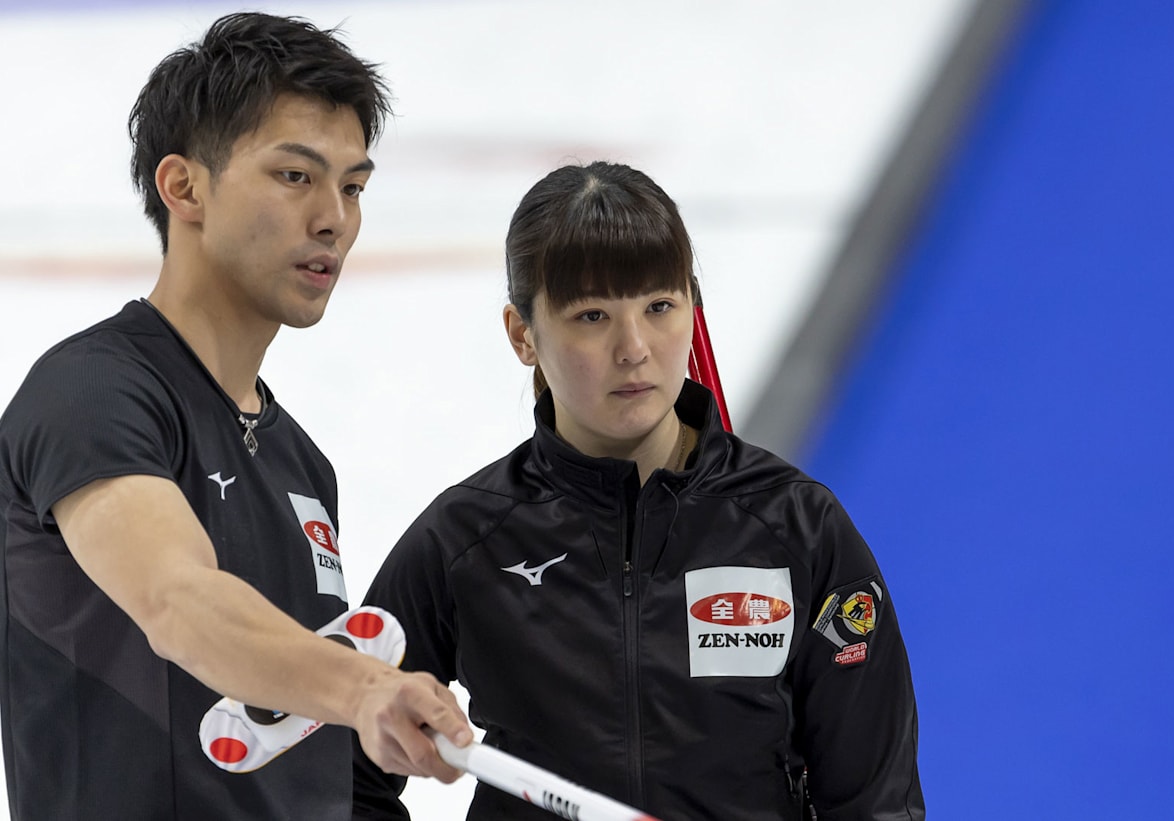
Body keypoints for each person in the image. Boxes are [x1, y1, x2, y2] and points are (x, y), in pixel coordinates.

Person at [0, 12, 473, 820]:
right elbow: (177, 601)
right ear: (184, 188)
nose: (334, 218)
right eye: (296, 175)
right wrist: (363, 685)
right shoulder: (92, 394)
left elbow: (293, 754)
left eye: (353, 187)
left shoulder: (302, 463)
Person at [351, 161, 925, 820]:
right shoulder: (466, 538)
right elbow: (339, 770)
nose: (633, 348)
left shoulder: (796, 527)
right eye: (592, 315)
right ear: (522, 334)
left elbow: (877, 804)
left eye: (658, 307)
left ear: (692, 309)